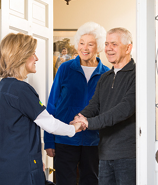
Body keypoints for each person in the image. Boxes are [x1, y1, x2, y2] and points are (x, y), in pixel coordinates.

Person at [0, 33, 84, 185]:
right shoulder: (20, 89)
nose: (37, 58)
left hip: (2, 171)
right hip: (21, 173)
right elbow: (50, 124)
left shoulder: (0, 89)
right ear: (20, 56)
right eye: (33, 53)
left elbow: (13, 132)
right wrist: (74, 128)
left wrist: (34, 161)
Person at [44, 22, 110, 185]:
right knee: (65, 181)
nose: (84, 48)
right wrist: (49, 140)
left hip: (93, 141)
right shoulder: (65, 68)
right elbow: (52, 104)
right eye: (81, 43)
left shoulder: (106, 74)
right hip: (65, 138)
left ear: (99, 47)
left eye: (90, 44)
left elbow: (108, 111)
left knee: (91, 181)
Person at [71, 27, 136, 185]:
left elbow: (124, 109)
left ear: (128, 47)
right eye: (107, 44)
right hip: (104, 153)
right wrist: (80, 117)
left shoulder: (138, 75)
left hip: (128, 156)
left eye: (114, 44)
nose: (108, 48)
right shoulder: (105, 77)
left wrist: (89, 123)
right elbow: (94, 105)